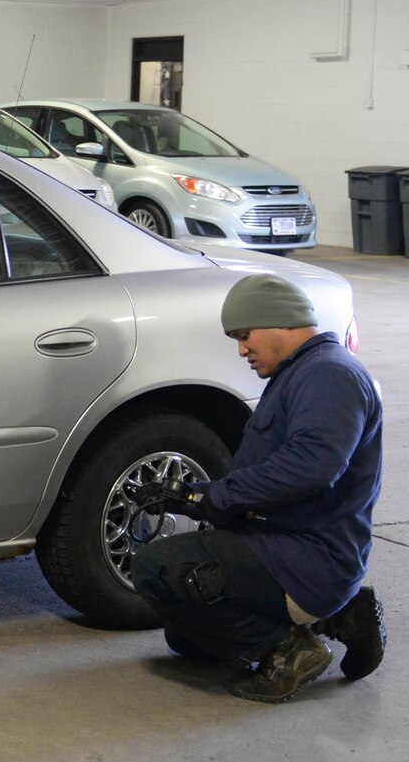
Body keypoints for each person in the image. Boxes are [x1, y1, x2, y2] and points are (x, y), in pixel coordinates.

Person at [131, 273, 385, 704]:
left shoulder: (330, 377)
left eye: (246, 336)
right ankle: (343, 617)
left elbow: (310, 469)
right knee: (187, 637)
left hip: (309, 559)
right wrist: (195, 497)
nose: (242, 349)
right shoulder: (301, 374)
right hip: (289, 547)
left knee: (156, 569)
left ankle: (289, 650)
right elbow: (272, 473)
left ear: (280, 321)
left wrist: (212, 497)